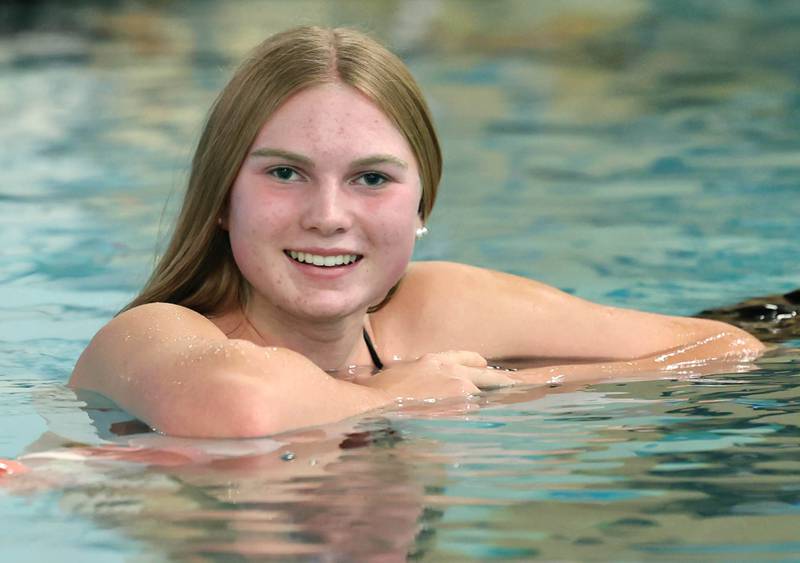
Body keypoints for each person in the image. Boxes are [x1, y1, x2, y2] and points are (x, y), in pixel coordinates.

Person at [69, 26, 764, 439]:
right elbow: (241, 407)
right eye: (285, 173)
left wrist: (500, 383)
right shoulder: (151, 335)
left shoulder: (436, 313)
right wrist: (404, 394)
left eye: (372, 179)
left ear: (422, 206)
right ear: (221, 198)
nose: (329, 215)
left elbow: (725, 346)